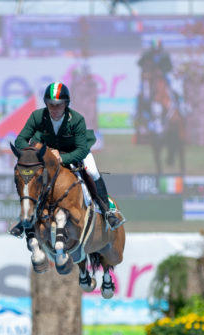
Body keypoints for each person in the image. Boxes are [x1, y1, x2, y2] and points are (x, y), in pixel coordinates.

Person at [9, 82, 121, 237]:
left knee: (93, 172)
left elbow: (81, 150)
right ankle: (24, 219)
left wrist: (62, 158)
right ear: (46, 104)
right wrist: (35, 151)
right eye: (51, 105)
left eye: (59, 105)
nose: (54, 109)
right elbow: (20, 141)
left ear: (66, 104)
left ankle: (107, 212)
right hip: (47, 155)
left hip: (73, 152)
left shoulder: (76, 120)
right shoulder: (37, 116)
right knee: (31, 179)